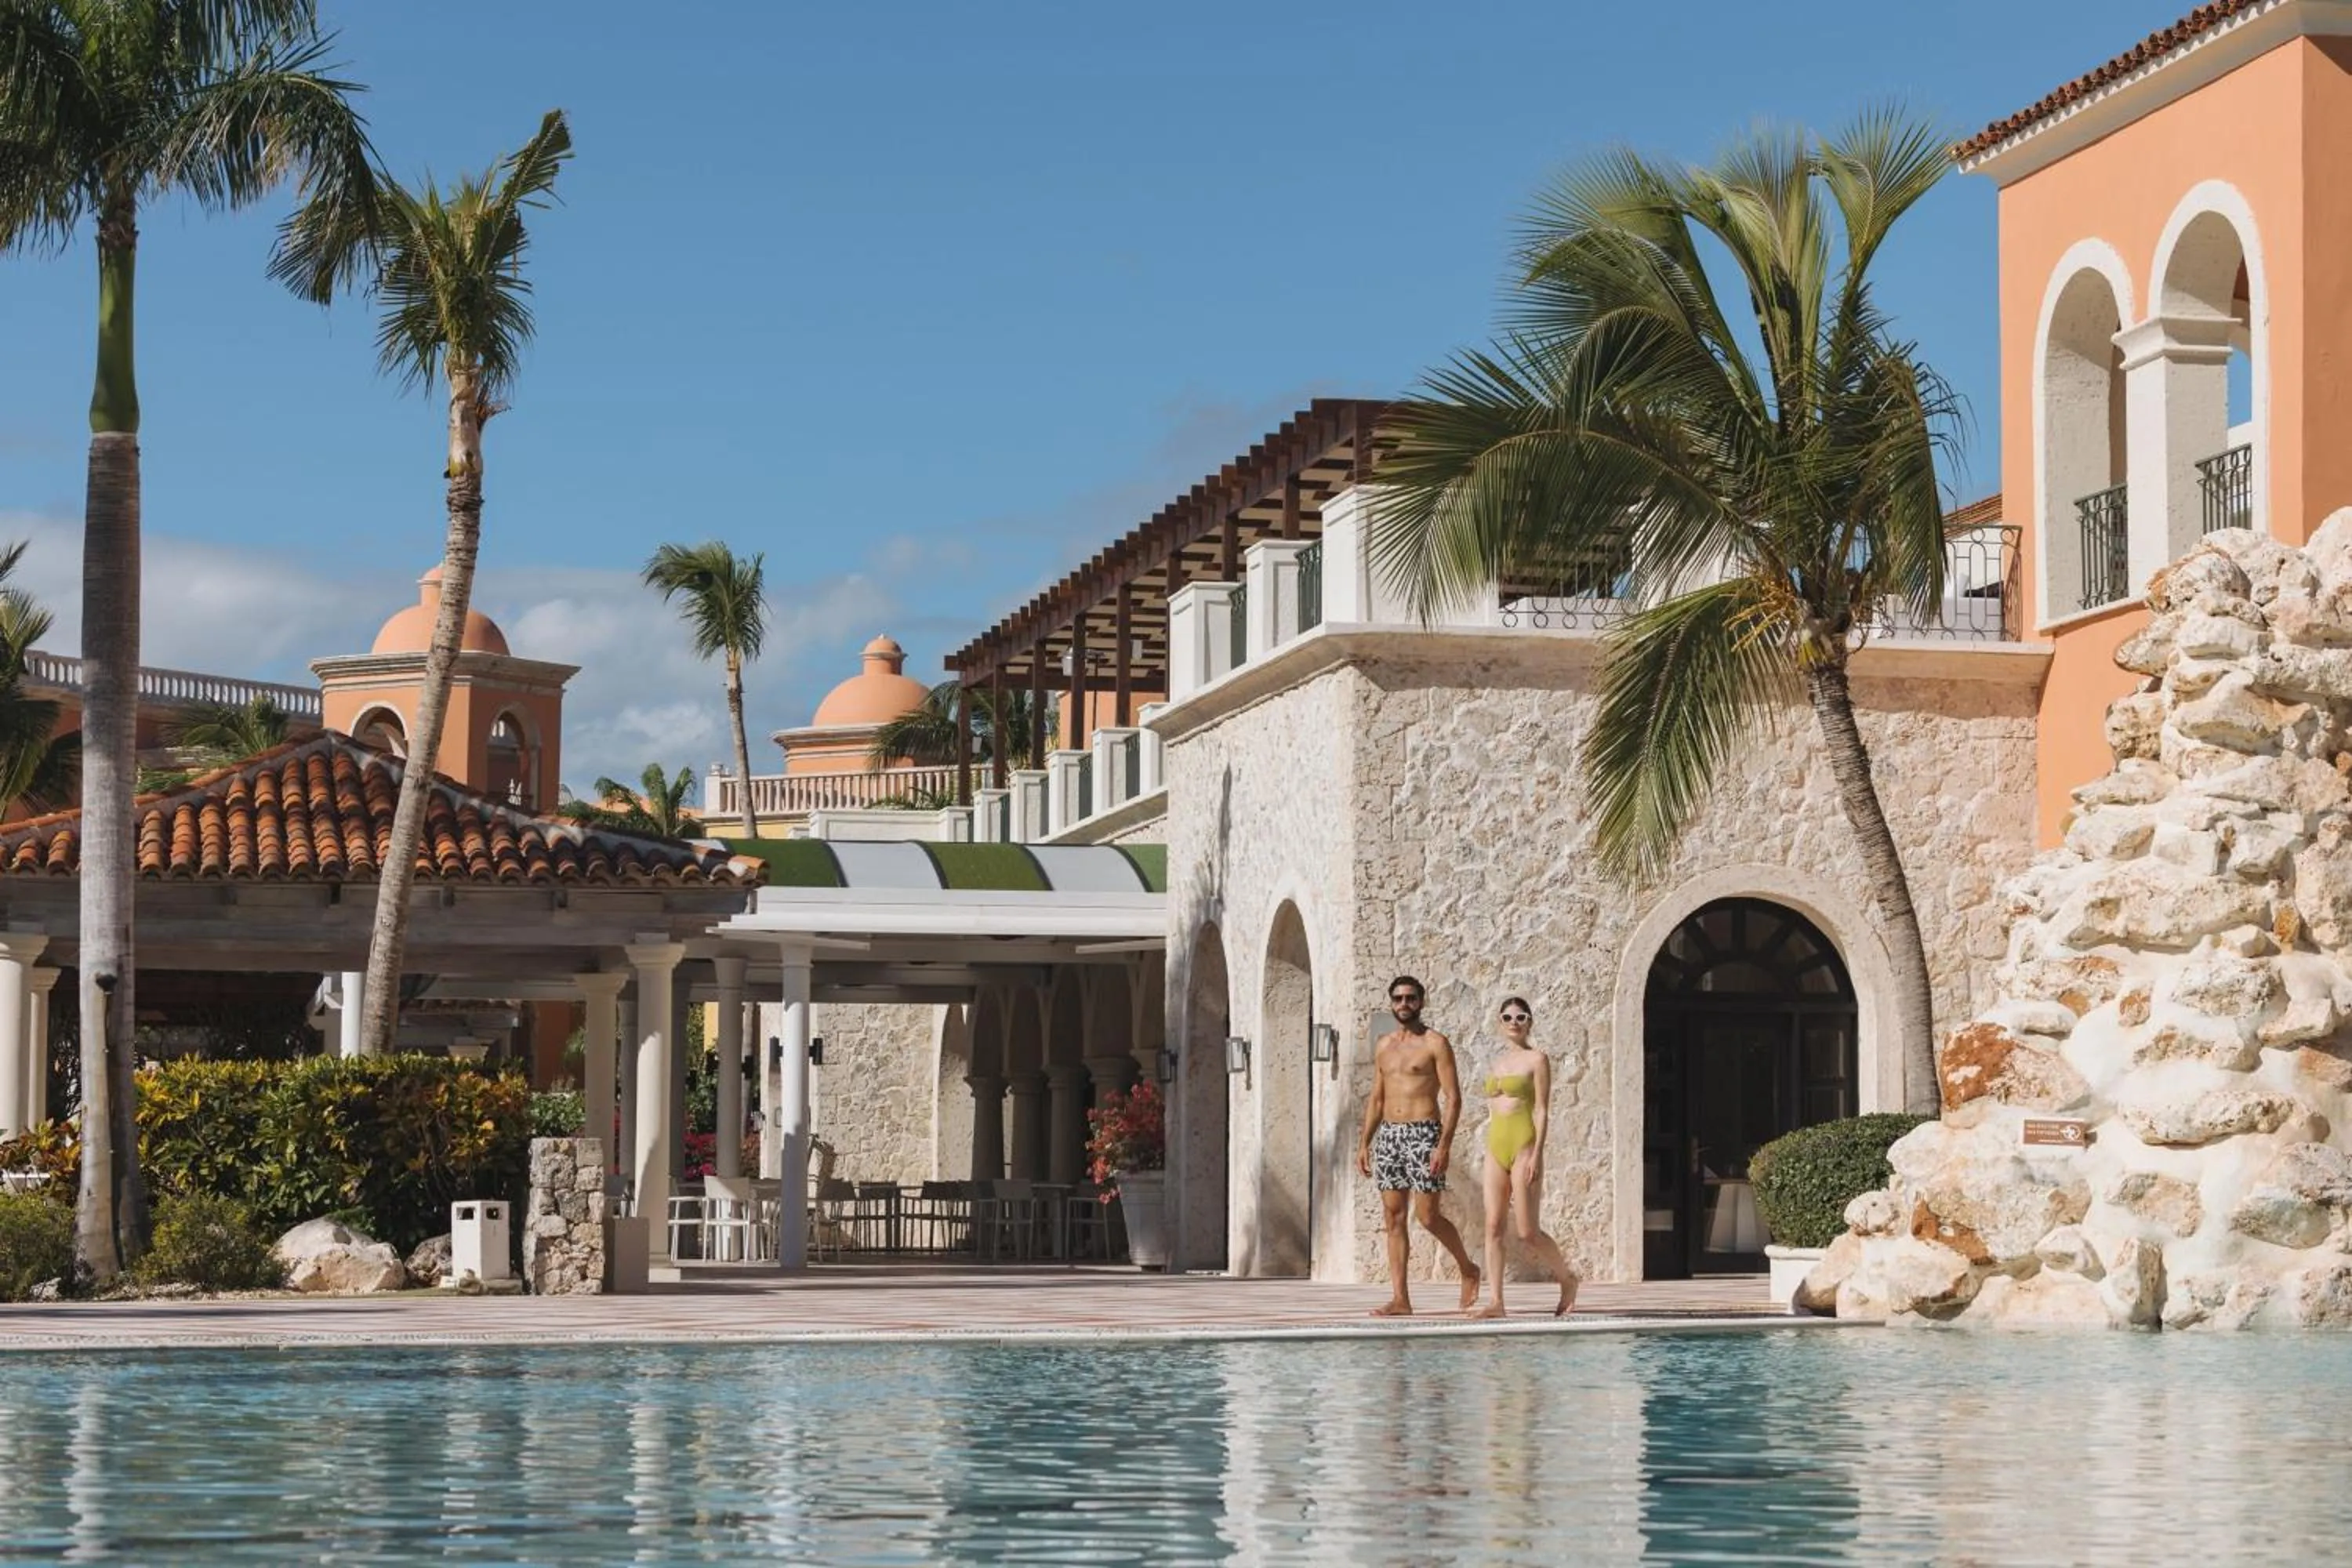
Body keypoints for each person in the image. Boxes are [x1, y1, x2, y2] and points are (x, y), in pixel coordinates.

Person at [1357, 975, 1481, 1316]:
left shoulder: (1435, 1043)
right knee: (1393, 1217)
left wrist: (1443, 1145)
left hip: (1424, 1133)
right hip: (1389, 1136)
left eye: (1410, 998)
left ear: (1421, 1002)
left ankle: (1468, 1268)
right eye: (1398, 998)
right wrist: (1365, 1143)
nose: (1404, 1004)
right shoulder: (1383, 1045)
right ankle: (1401, 1299)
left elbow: (1453, 1099)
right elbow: (1377, 1098)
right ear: (1391, 1003)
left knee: (1428, 1217)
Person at [1471, 996, 1580, 1318]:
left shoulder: (1537, 1059)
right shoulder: (1497, 1063)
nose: (1514, 1022)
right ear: (1500, 1023)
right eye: (1507, 1017)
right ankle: (1496, 1302)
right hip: (1496, 1146)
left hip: (1524, 1146)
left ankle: (1567, 1279)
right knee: (1493, 1225)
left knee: (1527, 1232)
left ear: (1530, 1022)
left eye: (1521, 1017)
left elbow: (1543, 1109)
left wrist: (1537, 1153)